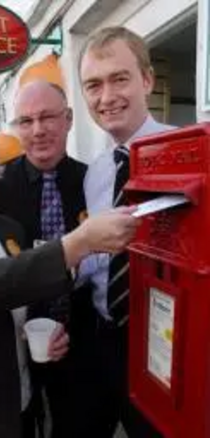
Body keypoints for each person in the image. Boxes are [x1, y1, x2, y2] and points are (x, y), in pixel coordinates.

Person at [0, 106, 139, 438]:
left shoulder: (8, 229)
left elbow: (17, 293)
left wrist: (35, 332)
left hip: (18, 403)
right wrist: (76, 244)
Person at [76, 26, 176, 437]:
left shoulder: (193, 152)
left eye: (120, 78)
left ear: (147, 80)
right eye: (93, 85)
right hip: (103, 340)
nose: (106, 97)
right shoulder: (95, 172)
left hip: (166, 345)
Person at [0, 79, 94, 438]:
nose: (37, 130)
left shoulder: (94, 180)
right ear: (16, 128)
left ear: (68, 119)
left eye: (48, 117)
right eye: (26, 121)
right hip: (16, 339)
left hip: (83, 337)